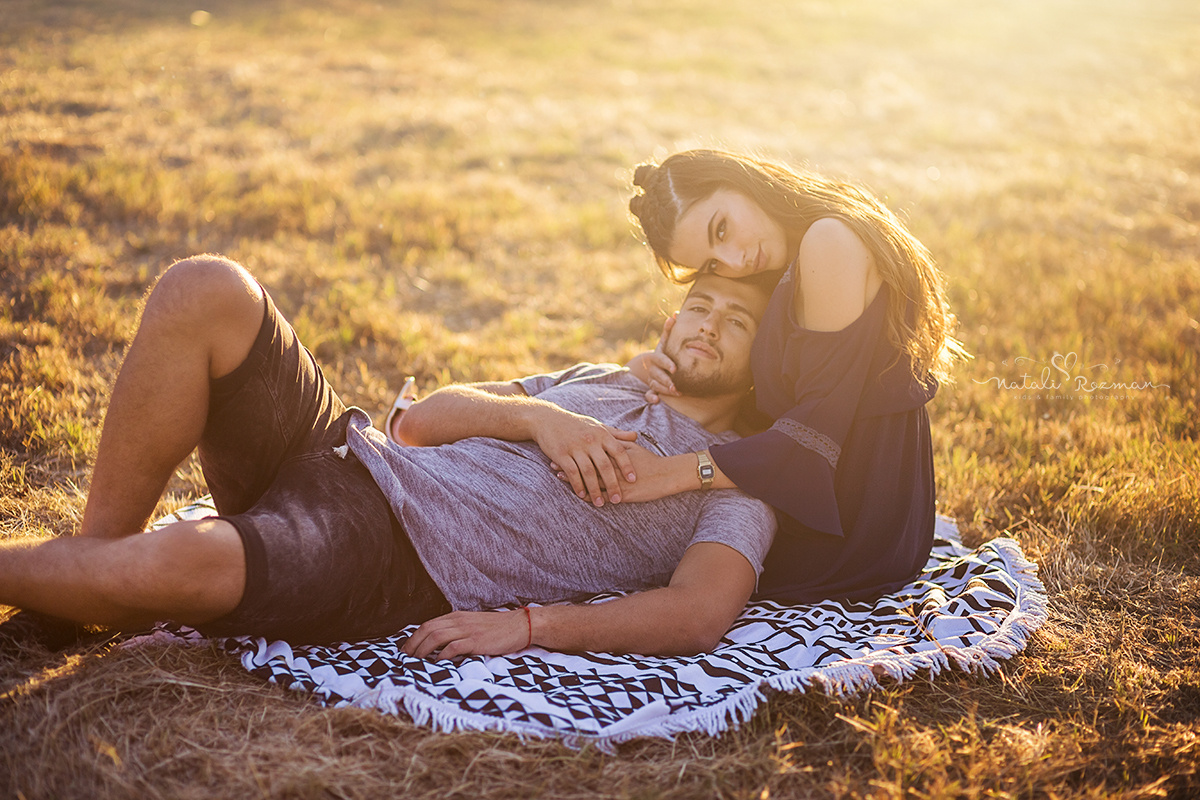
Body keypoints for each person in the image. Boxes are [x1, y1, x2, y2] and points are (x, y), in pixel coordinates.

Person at [0, 256, 776, 658]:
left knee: (181, 563)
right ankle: (88, 569)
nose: (706, 326)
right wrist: (541, 418)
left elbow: (699, 614)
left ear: (768, 354)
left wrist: (533, 627)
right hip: (347, 446)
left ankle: (80, 581)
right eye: (699, 306)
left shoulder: (742, 475)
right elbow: (419, 423)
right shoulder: (601, 377)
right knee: (205, 288)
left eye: (735, 321)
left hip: (396, 554)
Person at [594, 148, 967, 605]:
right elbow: (778, 384)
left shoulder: (829, 242)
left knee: (650, 545)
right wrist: (655, 367)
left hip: (854, 517)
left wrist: (670, 472)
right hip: (800, 479)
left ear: (739, 179)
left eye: (722, 229)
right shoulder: (779, 258)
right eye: (712, 264)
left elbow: (815, 433)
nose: (735, 260)